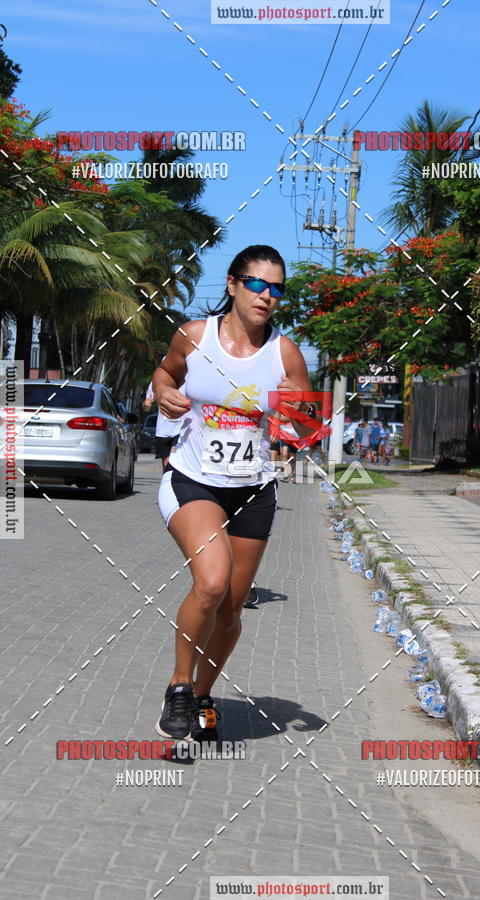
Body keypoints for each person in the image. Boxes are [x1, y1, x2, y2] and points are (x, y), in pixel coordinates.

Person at [153, 245, 313, 743]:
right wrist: (163, 392)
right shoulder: (196, 337)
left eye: (277, 288)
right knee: (211, 581)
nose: (267, 296)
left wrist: (292, 424)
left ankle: (203, 695)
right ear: (232, 285)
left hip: (254, 490)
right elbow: (164, 374)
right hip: (193, 480)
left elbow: (305, 427)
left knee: (231, 609)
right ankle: (179, 689)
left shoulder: (285, 354)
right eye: (257, 284)